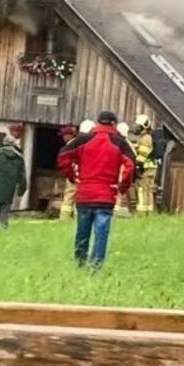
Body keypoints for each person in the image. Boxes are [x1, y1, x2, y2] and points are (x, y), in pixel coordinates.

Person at [58, 110, 135, 269]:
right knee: (101, 234)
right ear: (114, 124)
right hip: (106, 196)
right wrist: (122, 187)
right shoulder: (120, 142)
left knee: (82, 232)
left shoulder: (83, 139)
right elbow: (131, 165)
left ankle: (80, 262)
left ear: (98, 122)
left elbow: (63, 157)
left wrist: (72, 176)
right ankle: (96, 266)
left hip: (85, 195)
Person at [57, 119, 94, 219]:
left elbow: (63, 159)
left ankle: (65, 218)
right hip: (83, 174)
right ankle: (74, 218)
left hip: (75, 174)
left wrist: (69, 174)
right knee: (80, 197)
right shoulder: (91, 142)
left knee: (70, 196)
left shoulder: (73, 143)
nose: (64, 137)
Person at [132, 114, 158, 216]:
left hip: (146, 169)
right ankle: (149, 213)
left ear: (144, 126)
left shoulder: (145, 139)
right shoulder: (147, 137)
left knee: (142, 190)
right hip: (151, 168)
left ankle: (141, 213)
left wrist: (137, 167)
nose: (136, 128)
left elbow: (142, 156)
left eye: (139, 126)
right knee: (148, 190)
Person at [114, 122, 135, 217]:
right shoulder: (127, 143)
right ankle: (116, 209)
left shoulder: (113, 140)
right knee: (119, 190)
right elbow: (133, 156)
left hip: (116, 169)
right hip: (122, 169)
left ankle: (115, 209)